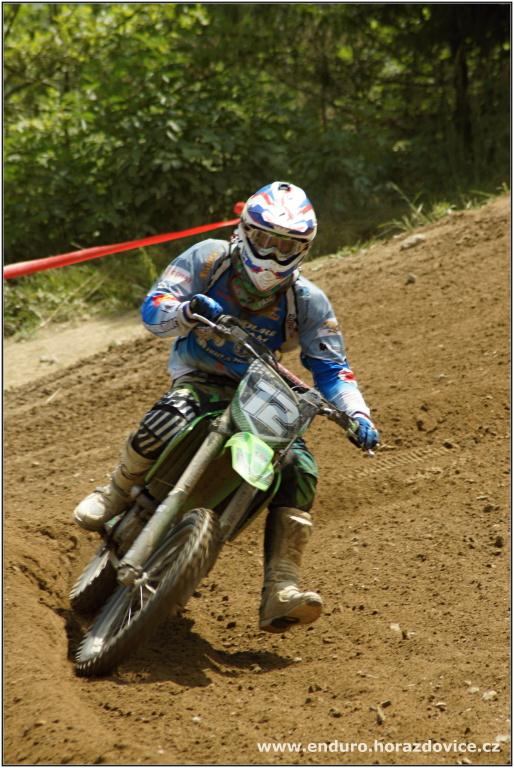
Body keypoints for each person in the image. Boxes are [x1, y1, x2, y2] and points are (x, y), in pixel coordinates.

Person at [73, 181, 379, 633]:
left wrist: (357, 413)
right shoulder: (208, 259)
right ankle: (116, 491)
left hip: (263, 390)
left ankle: (281, 585)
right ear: (245, 231)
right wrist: (185, 311)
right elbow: (155, 306)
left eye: (286, 246)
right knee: (169, 417)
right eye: (265, 240)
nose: (272, 254)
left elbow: (332, 367)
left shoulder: (308, 300)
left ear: (304, 249)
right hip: (200, 376)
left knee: (299, 467)